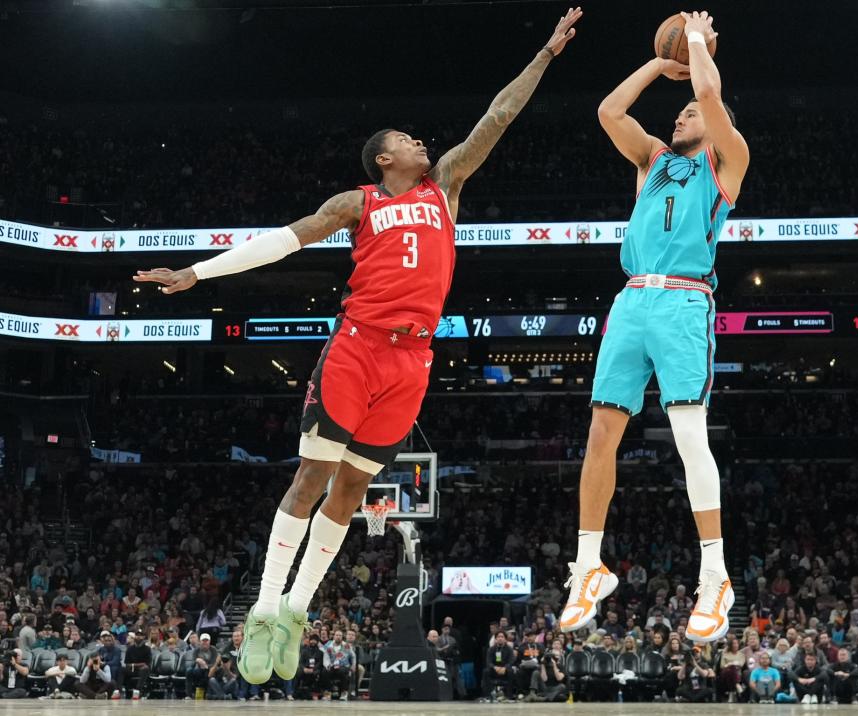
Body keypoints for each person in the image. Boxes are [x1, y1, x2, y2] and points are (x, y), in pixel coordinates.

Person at [132, 7, 583, 688]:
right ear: (384, 158)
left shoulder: (446, 187)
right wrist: (197, 272)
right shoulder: (359, 201)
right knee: (311, 479)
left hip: (414, 361)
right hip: (358, 347)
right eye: (405, 137)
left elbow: (497, 117)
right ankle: (261, 608)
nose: (419, 140)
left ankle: (295, 610)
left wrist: (546, 54)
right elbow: (285, 238)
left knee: (352, 490)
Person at [560, 9, 748, 644]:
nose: (681, 115)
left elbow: (709, 94)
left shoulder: (728, 161)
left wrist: (695, 41)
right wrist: (656, 64)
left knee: (689, 438)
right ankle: (588, 565)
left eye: (688, 114)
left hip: (684, 304)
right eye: (680, 113)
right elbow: (610, 113)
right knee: (600, 434)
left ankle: (714, 575)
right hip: (631, 303)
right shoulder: (652, 161)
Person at [123, 629, 152, 698]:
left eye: (141, 635)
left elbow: (147, 664)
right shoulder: (130, 649)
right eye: (137, 635)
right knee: (121, 669)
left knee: (145, 669)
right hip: (132, 670)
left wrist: (133, 665)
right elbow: (127, 663)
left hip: (142, 671)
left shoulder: (147, 649)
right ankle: (118, 690)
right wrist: (138, 664)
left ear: (144, 637)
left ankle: (137, 690)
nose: (138, 637)